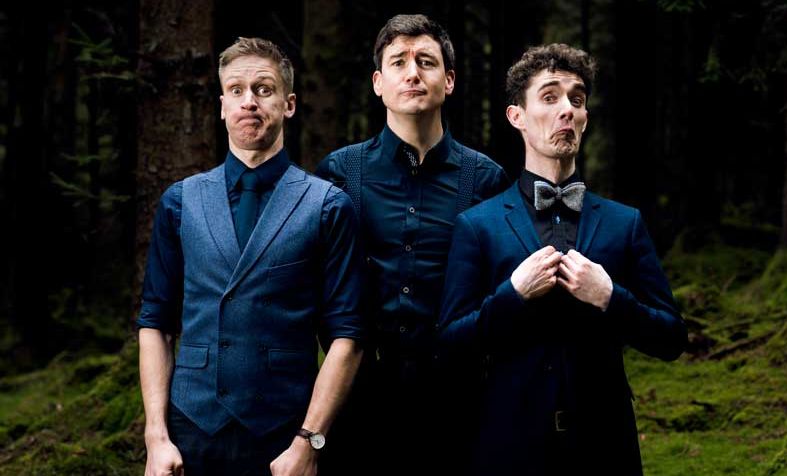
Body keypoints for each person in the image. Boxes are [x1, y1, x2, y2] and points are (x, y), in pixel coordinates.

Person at [439, 43, 688, 475]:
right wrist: (512, 296)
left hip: (604, 448)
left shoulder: (624, 223)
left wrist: (611, 297)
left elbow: (671, 338)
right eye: (550, 97)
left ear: (586, 116)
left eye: (577, 99)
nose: (567, 110)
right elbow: (449, 346)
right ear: (517, 116)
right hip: (508, 448)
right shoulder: (478, 225)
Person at [136, 37, 364, 476]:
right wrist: (156, 438)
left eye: (263, 89)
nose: (249, 102)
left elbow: (347, 336)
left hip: (284, 436)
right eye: (236, 91)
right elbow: (156, 323)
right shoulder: (180, 202)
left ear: (288, 104)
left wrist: (309, 441)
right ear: (222, 106)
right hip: (191, 433)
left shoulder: (328, 205)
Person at [314, 14, 509, 474]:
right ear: (378, 83)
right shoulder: (339, 173)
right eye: (398, 62)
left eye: (426, 61)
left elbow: (497, 292)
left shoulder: (487, 179)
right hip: (360, 402)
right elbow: (319, 285)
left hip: (458, 406)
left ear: (450, 80)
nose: (413, 73)